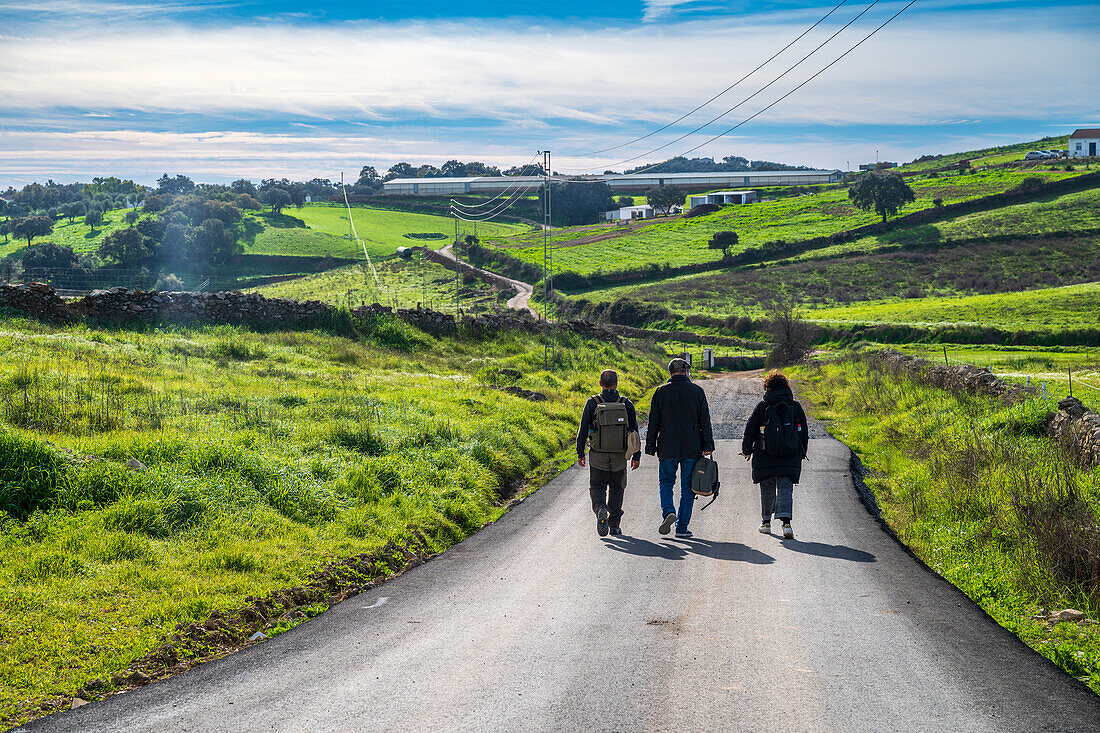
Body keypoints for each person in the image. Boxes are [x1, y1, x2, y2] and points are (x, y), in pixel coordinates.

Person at [644, 358, 714, 539]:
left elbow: (654, 422)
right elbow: (705, 420)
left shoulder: (660, 392)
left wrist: (650, 445)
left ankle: (668, 511)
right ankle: (682, 528)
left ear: (670, 372)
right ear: (684, 371)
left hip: (667, 446)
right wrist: (708, 446)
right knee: (688, 488)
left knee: (666, 483)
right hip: (692, 447)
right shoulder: (697, 391)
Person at [741, 371, 809, 540]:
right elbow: (804, 433)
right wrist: (801, 453)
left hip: (765, 456)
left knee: (767, 489)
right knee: (785, 488)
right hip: (790, 455)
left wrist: (747, 450)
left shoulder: (762, 407)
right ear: (786, 386)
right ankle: (786, 525)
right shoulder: (795, 407)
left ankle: (766, 523)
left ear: (768, 387)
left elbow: (750, 430)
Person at [577, 369, 641, 537]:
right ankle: (614, 526)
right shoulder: (626, 403)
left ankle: (600, 508)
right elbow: (634, 431)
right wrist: (636, 456)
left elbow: (583, 430)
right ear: (616, 384)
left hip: (598, 454)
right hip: (620, 454)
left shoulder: (593, 402)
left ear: (600, 384)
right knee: (617, 487)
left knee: (597, 486)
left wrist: (580, 453)